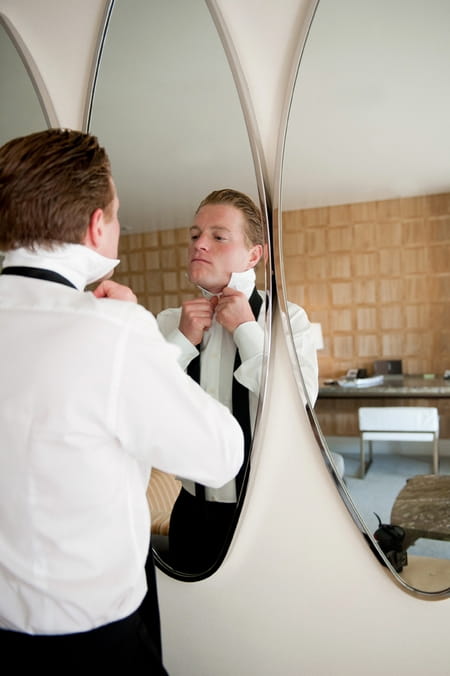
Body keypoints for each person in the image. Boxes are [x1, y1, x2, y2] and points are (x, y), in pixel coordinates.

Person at [0, 130, 244, 672]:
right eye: (116, 214)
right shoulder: (119, 330)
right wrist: (131, 331)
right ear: (96, 224)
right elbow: (221, 452)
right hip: (87, 637)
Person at [157, 188, 319, 573]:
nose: (200, 244)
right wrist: (180, 343)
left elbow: (302, 403)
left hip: (267, 513)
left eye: (218, 236)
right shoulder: (168, 323)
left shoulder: (287, 320)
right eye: (195, 235)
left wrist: (247, 329)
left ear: (253, 255)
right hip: (191, 513)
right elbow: (142, 407)